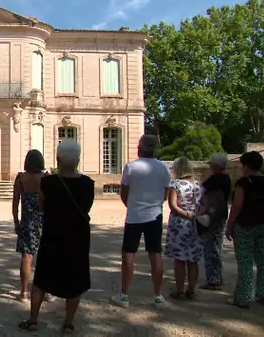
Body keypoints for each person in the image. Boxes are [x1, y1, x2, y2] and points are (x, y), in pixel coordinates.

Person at [18, 140, 94, 334]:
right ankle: (68, 323)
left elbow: (42, 207)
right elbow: (86, 208)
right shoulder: (88, 184)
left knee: (42, 280)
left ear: (58, 159)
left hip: (53, 235)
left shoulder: (49, 182)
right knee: (75, 282)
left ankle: (33, 320)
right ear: (78, 159)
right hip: (77, 238)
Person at [112, 134, 171, 309]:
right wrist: (155, 204)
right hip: (154, 215)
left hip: (134, 216)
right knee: (155, 254)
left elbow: (123, 192)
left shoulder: (131, 167)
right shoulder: (163, 168)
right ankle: (158, 295)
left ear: (140, 148)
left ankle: (124, 295)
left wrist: (131, 206)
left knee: (129, 254)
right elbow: (166, 193)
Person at [226, 151, 264, 308]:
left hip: (246, 225)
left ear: (247, 165)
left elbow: (237, 205)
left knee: (246, 262)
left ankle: (244, 297)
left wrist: (230, 225)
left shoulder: (243, 183)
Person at [12, 149, 47, 302]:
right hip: (44, 221)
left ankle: (24, 292)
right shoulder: (46, 178)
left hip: (27, 221)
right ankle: (47, 291)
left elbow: (15, 203)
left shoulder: (20, 178)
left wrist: (16, 221)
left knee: (26, 257)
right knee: (45, 257)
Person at [165, 157, 203, 299]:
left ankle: (179, 289)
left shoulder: (175, 185)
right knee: (193, 260)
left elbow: (173, 205)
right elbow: (203, 205)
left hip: (180, 223)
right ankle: (191, 290)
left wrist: (185, 214)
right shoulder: (197, 185)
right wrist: (194, 214)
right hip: (194, 223)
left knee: (179, 259)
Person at [199, 153, 231, 291]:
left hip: (212, 215)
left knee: (210, 247)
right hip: (221, 214)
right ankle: (217, 276)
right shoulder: (227, 178)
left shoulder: (215, 179)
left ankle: (213, 280)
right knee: (217, 246)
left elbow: (200, 190)